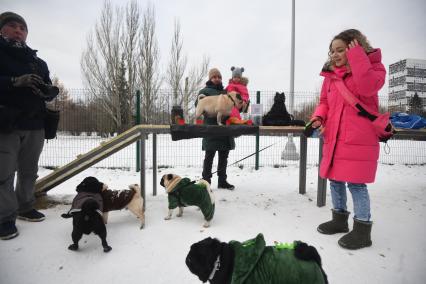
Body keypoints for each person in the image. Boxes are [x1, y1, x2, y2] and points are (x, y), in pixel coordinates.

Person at [310, 29, 386, 249]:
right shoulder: (331, 76)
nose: (334, 55)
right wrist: (318, 116)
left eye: (340, 50)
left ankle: (362, 230)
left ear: (356, 48)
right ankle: (339, 220)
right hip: (334, 136)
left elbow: (367, 86)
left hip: (358, 138)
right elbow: (324, 101)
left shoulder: (373, 68)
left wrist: (358, 58)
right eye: (332, 50)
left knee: (356, 184)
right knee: (334, 179)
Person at [0, 12, 55, 240]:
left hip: (35, 123)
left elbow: (49, 87)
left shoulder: (37, 61)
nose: (18, 30)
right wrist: (13, 81)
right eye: (12, 26)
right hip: (6, 124)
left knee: (28, 172)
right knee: (3, 173)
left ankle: (25, 206)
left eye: (22, 28)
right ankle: (4, 217)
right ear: (2, 29)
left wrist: (48, 90)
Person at [198, 68, 235, 190]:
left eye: (219, 77)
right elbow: (198, 105)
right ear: (210, 78)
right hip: (211, 128)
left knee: (224, 156)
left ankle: (222, 181)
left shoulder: (226, 92)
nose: (217, 79)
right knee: (209, 156)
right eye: (214, 77)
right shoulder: (204, 91)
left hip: (224, 129)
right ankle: (206, 181)